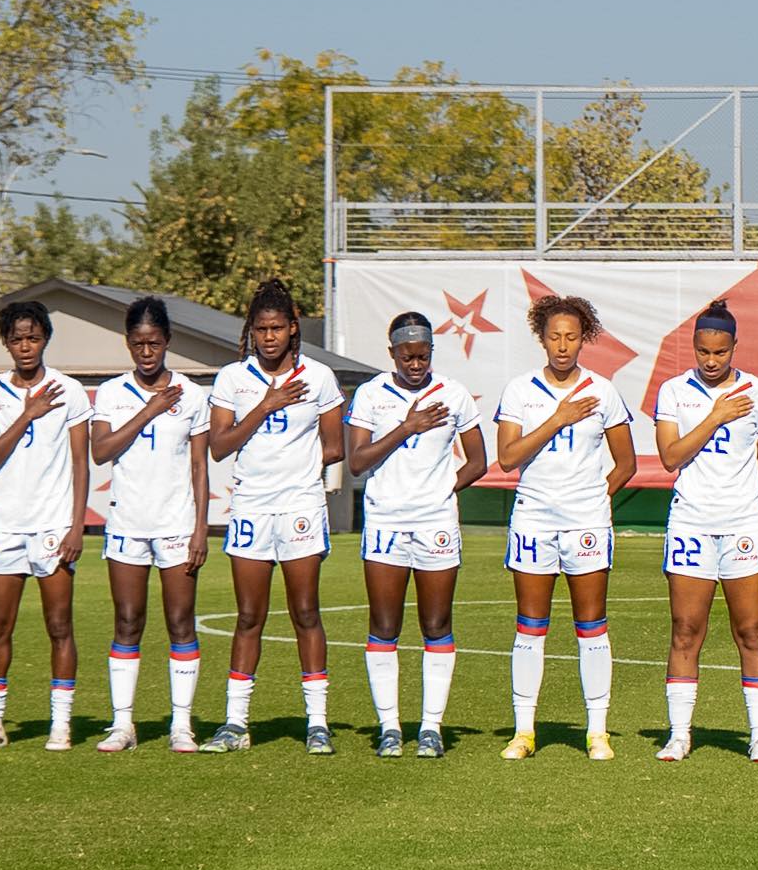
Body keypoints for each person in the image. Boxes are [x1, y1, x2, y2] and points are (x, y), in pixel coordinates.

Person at [201, 278, 346, 755]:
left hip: (301, 506)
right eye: (261, 329)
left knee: (306, 612)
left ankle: (318, 723)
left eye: (277, 328)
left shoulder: (320, 378)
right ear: (251, 330)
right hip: (251, 509)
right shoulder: (233, 379)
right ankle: (235, 723)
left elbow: (334, 447)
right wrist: (266, 406)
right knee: (249, 616)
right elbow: (219, 447)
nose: (269, 337)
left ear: (292, 328)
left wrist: (295, 467)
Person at [494, 293, 637, 761]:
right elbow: (509, 457)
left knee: (591, 626)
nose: (562, 345)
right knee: (530, 628)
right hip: (533, 520)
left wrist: (595, 499)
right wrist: (557, 418)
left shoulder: (603, 390)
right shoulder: (520, 390)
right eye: (554, 336)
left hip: (586, 524)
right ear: (541, 337)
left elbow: (626, 462)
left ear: (584, 339)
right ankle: (524, 731)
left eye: (572, 337)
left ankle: (597, 731)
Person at [346, 311, 487, 759]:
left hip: (436, 524)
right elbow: (356, 461)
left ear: (431, 352)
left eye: (423, 356)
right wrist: (407, 426)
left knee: (436, 624)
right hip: (385, 522)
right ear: (392, 354)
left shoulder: (454, 394)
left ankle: (430, 727)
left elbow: (479, 461)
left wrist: (443, 489)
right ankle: (389, 726)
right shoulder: (371, 394)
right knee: (384, 625)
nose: (415, 364)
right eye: (407, 356)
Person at [651, 299, 758, 763]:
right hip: (690, 522)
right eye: (703, 352)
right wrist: (714, 417)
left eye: (720, 353)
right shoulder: (673, 392)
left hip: (743, 522)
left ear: (734, 348)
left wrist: (737, 494)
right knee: (686, 630)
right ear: (694, 346)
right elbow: (670, 457)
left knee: (751, 630)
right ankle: (680, 734)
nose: (711, 361)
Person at [0, 301, 92, 751]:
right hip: (5, 525)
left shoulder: (71, 391)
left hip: (53, 525)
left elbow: (81, 464)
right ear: (5, 341)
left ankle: (61, 724)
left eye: (33, 337)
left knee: (59, 626)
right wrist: (27, 413)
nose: (25, 346)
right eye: (17, 338)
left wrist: (78, 525)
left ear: (46, 340)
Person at [89, 297, 211, 754]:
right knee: (127, 621)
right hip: (127, 522)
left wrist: (201, 527)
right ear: (127, 343)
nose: (146, 352)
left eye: (154, 343)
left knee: (180, 621)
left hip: (177, 522)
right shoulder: (112, 392)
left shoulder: (193, 394)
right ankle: (123, 726)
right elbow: (101, 451)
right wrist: (150, 410)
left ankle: (182, 726)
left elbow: (200, 465)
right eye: (138, 344)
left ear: (167, 342)